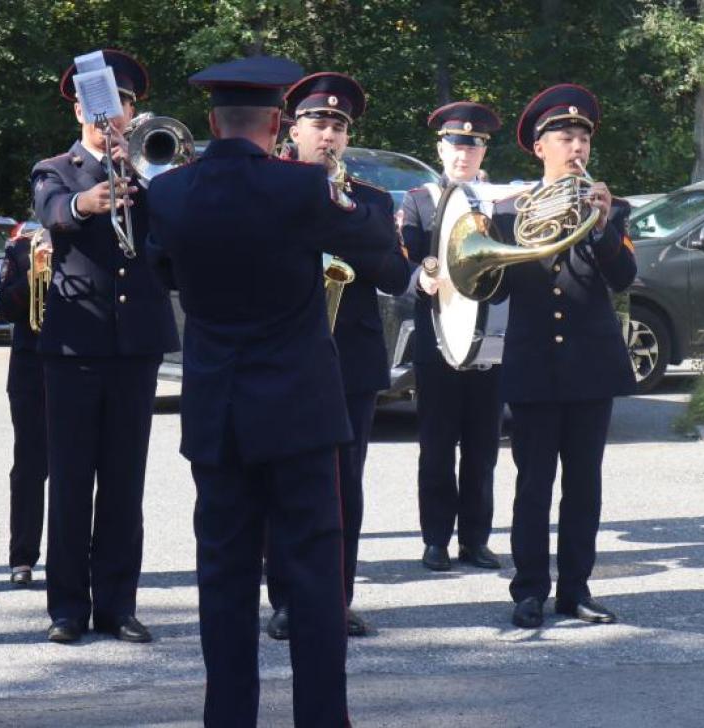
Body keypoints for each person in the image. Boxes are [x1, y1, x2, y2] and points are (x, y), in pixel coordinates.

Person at [146, 55, 408, 728]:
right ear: (274, 122)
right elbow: (380, 253)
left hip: (218, 410)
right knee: (316, 582)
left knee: (224, 580)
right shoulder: (303, 189)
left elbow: (164, 273)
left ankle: (227, 718)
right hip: (300, 411)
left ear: (211, 122)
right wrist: (336, 193)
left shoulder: (170, 193)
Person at [31, 49, 179, 645]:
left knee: (125, 480)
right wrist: (83, 201)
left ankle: (118, 604)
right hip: (76, 343)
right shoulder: (56, 168)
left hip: (135, 344)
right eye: (96, 106)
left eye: (118, 105)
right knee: (69, 480)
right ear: (78, 109)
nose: (107, 116)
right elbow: (50, 210)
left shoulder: (154, 170)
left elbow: (172, 237)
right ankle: (66, 607)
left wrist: (141, 174)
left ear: (132, 111)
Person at [264, 72, 410, 641]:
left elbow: (396, 276)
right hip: (284, 356)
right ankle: (285, 600)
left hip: (350, 361)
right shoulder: (271, 188)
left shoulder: (369, 199)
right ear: (291, 128)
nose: (328, 134)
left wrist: (349, 216)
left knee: (345, 484)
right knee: (284, 482)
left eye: (338, 126)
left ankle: (335, 599)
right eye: (318, 123)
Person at [489, 84, 637, 629]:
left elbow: (623, 278)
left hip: (590, 365)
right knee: (533, 485)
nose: (576, 147)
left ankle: (575, 589)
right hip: (532, 363)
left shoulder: (611, 208)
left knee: (584, 485)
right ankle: (528, 590)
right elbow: (495, 290)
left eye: (582, 138)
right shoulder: (509, 212)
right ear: (539, 147)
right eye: (564, 137)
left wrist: (601, 227)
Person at [400, 102, 504, 572]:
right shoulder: (418, 200)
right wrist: (419, 276)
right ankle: (436, 539)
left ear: (484, 151)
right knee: (437, 446)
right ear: (441, 148)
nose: (464, 153)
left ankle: (476, 539)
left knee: (483, 447)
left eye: (474, 145)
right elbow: (404, 257)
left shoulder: (501, 200)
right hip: (438, 334)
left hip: (490, 338)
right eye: (456, 144)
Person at [0, 225, 50, 588]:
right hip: (32, 369)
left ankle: (75, 556)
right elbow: (3, 308)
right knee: (30, 465)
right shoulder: (21, 248)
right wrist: (32, 275)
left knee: (79, 468)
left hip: (82, 365)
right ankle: (23, 556)